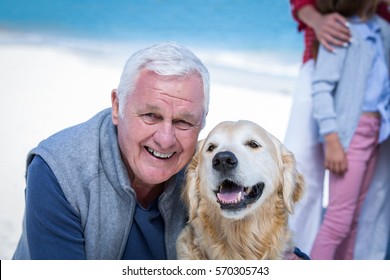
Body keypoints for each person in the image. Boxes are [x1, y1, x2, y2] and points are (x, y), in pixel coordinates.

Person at [12, 42, 211, 260]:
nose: (165, 140)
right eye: (150, 116)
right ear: (117, 107)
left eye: (183, 121)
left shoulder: (207, 178)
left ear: (201, 124)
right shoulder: (58, 172)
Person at [286, 0, 390, 259]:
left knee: (355, 216)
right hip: (350, 135)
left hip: (374, 132)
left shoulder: (379, 30)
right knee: (338, 220)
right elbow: (322, 88)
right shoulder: (342, 33)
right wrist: (332, 139)